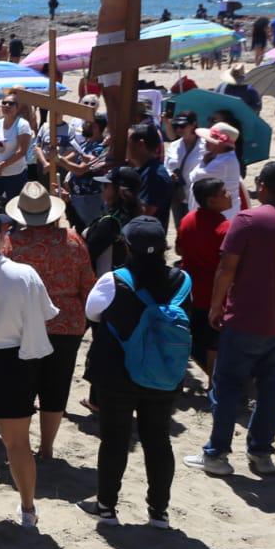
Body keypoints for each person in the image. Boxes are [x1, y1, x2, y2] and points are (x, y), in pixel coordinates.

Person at [186, 162, 275, 478]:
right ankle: (261, 453)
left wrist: (215, 307)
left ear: (262, 185)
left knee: (227, 387)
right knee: (271, 389)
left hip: (245, 317)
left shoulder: (246, 221)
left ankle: (217, 453)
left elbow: (227, 269)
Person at [81, 217, 190, 528]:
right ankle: (159, 512)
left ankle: (106, 507)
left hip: (117, 372)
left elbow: (93, 313)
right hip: (163, 372)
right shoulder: (182, 281)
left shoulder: (114, 280)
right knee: (158, 440)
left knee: (114, 440)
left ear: (127, 246)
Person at [0, 207, 57, 527]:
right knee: (17, 443)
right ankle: (28, 509)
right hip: (13, 362)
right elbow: (44, 313)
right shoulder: (23, 273)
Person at [5, 182, 96, 459]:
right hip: (66, 323)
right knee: (56, 386)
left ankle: (19, 445)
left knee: (23, 385)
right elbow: (87, 287)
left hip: (23, 323)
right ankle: (46, 448)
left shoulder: (12, 244)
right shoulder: (73, 241)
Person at [71, 0, 157, 145]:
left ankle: (119, 140)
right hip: (106, 39)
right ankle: (115, 137)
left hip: (116, 38)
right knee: (108, 94)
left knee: (115, 95)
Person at [178, 177, 232, 379]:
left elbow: (179, 248)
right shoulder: (225, 228)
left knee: (189, 337)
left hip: (189, 290)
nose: (229, 195)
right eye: (223, 193)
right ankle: (213, 382)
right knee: (213, 342)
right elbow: (227, 264)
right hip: (213, 292)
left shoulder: (187, 220)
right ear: (211, 201)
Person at [85, 167, 143, 275]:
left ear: (120, 190)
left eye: (106, 185)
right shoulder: (135, 213)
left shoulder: (110, 222)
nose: (102, 188)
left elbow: (85, 254)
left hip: (109, 282)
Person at [189, 121, 247, 212]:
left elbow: (194, 177)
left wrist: (203, 163)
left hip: (224, 215)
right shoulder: (224, 157)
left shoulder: (224, 162)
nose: (205, 141)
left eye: (209, 140)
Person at [0, 96, 34, 199]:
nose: (6, 105)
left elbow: (22, 151)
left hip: (15, 176)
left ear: (17, 108)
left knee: (14, 207)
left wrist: (1, 166)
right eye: (4, 103)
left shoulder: (22, 125)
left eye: (11, 103)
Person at [128, 124, 175, 228]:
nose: (125, 147)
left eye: (128, 143)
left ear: (141, 145)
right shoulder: (141, 170)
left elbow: (143, 214)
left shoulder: (155, 176)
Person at [163, 113, 205, 226]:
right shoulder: (174, 146)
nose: (179, 129)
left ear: (193, 125)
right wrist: (169, 174)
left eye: (182, 126)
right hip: (177, 194)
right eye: (176, 126)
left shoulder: (205, 146)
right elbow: (166, 166)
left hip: (197, 196)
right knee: (180, 228)